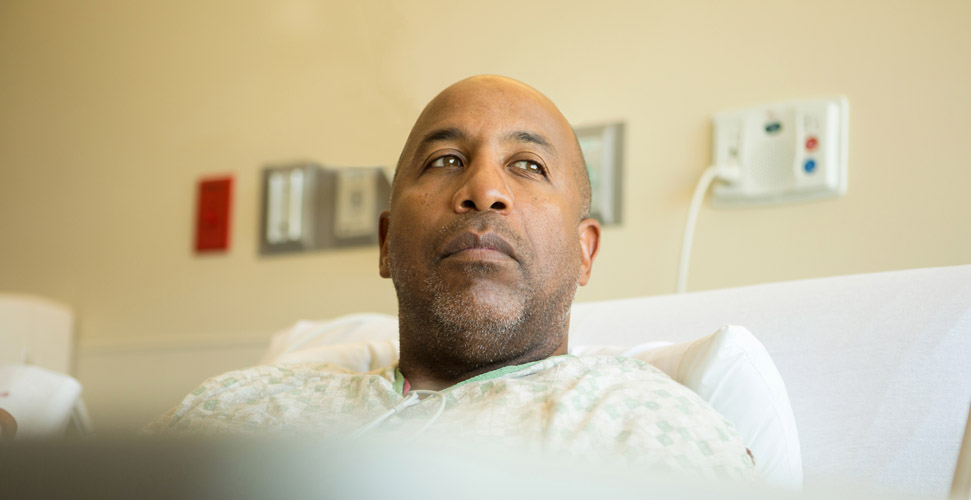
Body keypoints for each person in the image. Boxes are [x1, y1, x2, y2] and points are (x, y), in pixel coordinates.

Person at [149, 76, 755, 480]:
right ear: (386, 243)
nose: (484, 191)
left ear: (583, 252)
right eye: (446, 161)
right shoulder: (232, 410)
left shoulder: (649, 430)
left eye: (528, 165)